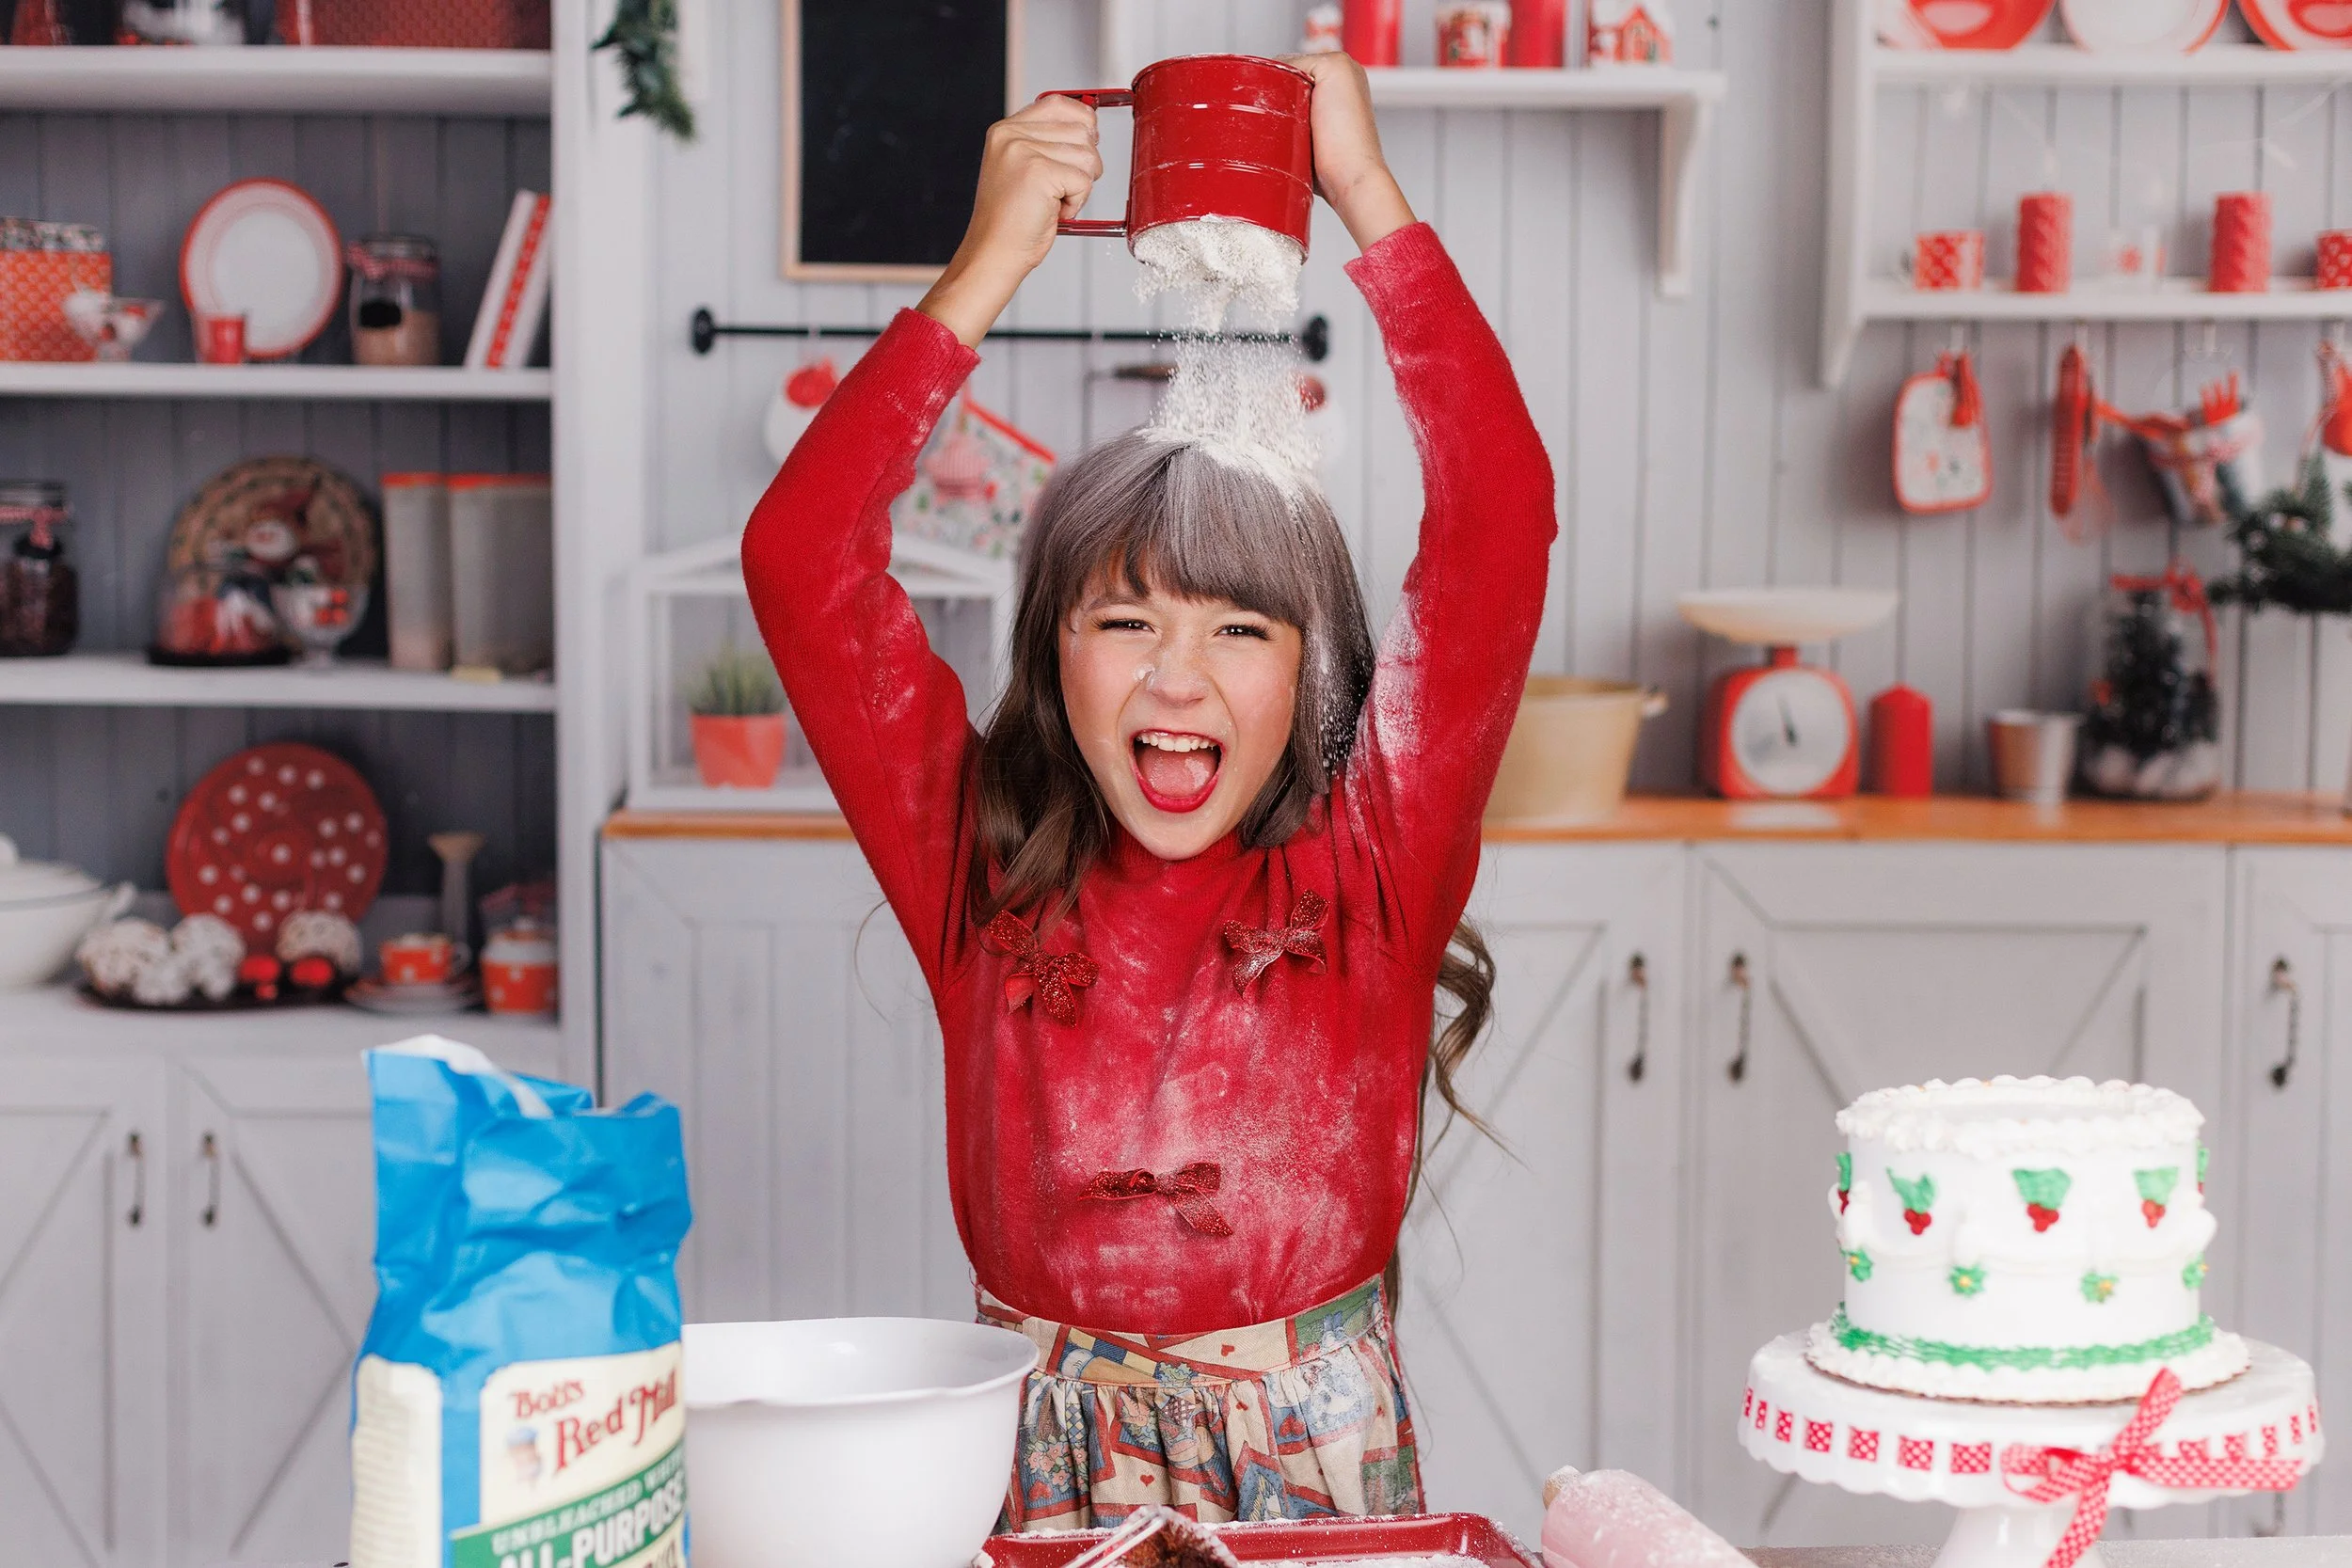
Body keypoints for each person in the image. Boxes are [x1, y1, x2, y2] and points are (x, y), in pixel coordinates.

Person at [741, 51, 1556, 1529]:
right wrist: (984, 269)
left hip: (1312, 1468)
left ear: (1312, 677)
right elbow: (802, 563)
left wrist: (1365, 195)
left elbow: (1501, 520)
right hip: (1031, 1453)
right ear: (1055, 662)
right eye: (1125, 623)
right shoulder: (981, 866)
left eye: (1240, 631)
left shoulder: (1374, 861)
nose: (1178, 681)